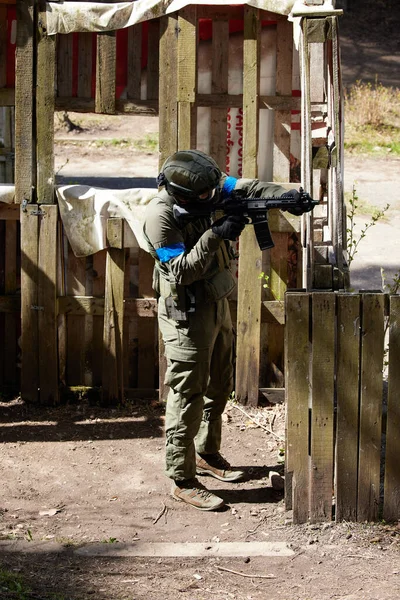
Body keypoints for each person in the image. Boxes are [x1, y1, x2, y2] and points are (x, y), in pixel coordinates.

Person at [143, 149, 298, 511]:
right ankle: (181, 479)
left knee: (218, 382)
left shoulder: (206, 186)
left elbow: (245, 186)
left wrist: (287, 196)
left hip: (215, 301)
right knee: (187, 393)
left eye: (215, 190)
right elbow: (180, 270)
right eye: (206, 197)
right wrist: (216, 234)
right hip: (186, 312)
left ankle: (206, 452)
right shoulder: (160, 216)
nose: (216, 196)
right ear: (182, 193)